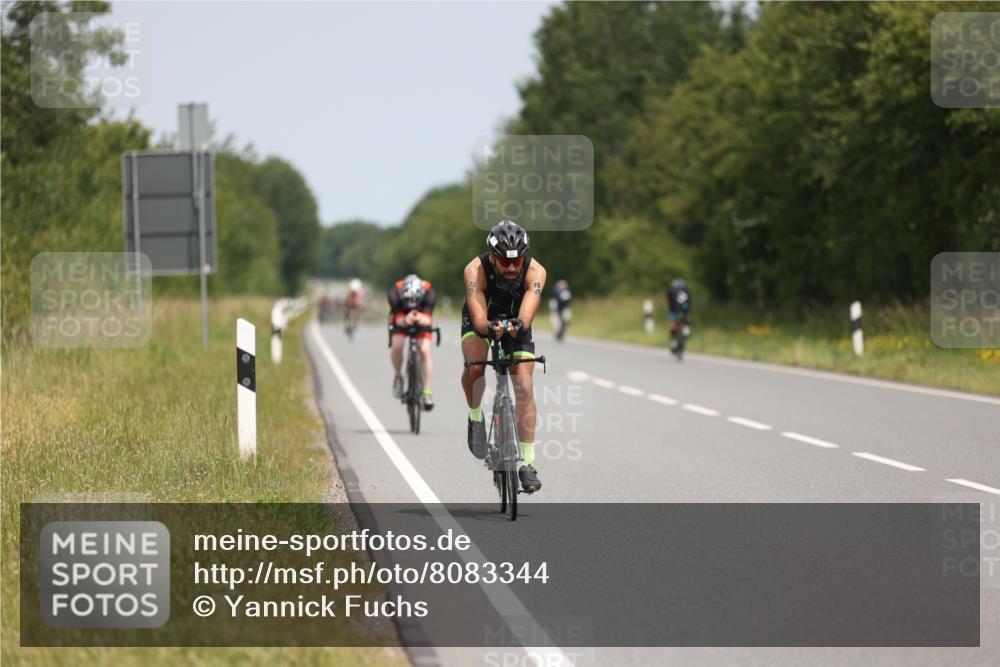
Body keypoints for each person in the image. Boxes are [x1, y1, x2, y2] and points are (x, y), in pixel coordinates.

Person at [461, 219, 546, 493]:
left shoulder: (536, 271)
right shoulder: (475, 269)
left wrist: (518, 325)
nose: (511, 268)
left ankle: (528, 463)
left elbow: (529, 309)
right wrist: (487, 327)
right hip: (482, 316)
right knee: (475, 368)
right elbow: (476, 311)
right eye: (504, 262)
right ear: (492, 257)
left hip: (516, 319)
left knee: (523, 385)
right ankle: (475, 416)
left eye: (516, 262)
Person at [388, 274, 437, 410]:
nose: (412, 302)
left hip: (422, 313)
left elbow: (428, 318)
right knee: (397, 345)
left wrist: (422, 318)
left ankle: (427, 392)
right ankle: (398, 376)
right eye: (409, 300)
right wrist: (404, 320)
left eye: (415, 299)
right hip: (401, 314)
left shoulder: (429, 293)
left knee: (424, 350)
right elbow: (397, 319)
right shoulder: (394, 294)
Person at [667, 278, 692, 352]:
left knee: (672, 324)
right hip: (685, 309)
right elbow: (690, 301)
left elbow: (670, 302)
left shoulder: (671, 289)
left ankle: (673, 342)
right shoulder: (687, 289)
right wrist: (688, 312)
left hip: (674, 309)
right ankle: (686, 331)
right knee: (687, 320)